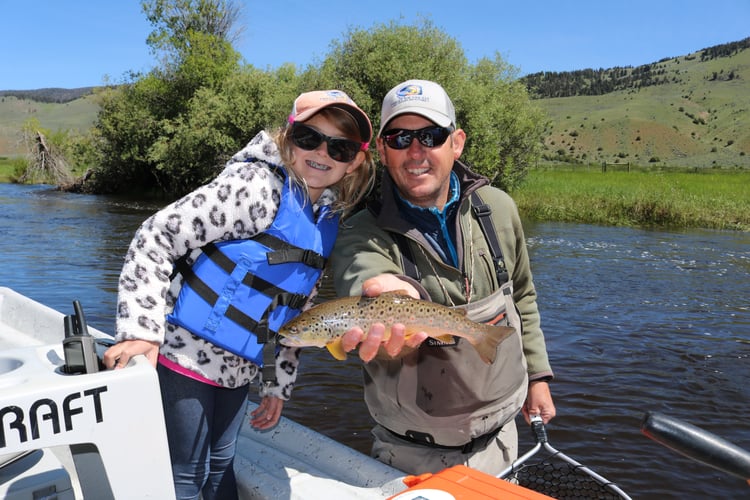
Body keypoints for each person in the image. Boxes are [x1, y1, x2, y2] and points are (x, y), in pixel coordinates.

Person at [103, 90, 374, 499]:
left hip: (239, 368)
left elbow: (295, 312)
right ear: (288, 136)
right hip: (183, 354)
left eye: (340, 147)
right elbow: (156, 236)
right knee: (186, 475)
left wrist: (275, 385)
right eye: (309, 138)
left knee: (220, 463)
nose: (322, 152)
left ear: (354, 160)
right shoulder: (256, 189)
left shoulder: (325, 220)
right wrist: (140, 331)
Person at [330, 79, 555, 476]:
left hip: (503, 439)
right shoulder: (359, 231)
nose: (415, 152)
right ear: (382, 150)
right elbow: (364, 272)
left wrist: (537, 377)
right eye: (399, 138)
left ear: (457, 143)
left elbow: (522, 297)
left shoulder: (499, 209)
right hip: (411, 454)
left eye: (431, 136)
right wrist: (387, 295)